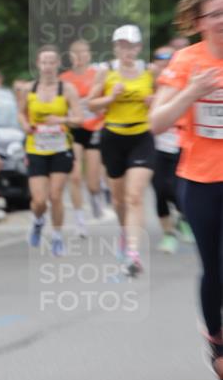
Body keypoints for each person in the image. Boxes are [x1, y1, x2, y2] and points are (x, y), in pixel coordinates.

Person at [151, 0, 223, 380]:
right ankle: (216, 338)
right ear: (199, 22)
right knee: (214, 268)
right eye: (216, 14)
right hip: (199, 179)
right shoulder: (186, 62)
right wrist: (191, 92)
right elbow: (157, 121)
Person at [87, 25, 155, 276]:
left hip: (142, 136)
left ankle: (133, 254)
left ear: (139, 48)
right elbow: (91, 104)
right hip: (113, 137)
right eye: (122, 45)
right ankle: (125, 232)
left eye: (132, 46)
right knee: (118, 199)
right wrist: (109, 98)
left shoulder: (149, 71)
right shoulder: (106, 71)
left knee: (134, 195)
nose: (127, 50)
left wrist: (154, 101)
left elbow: (167, 99)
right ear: (115, 47)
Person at [18, 45, 81, 256]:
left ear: (58, 64)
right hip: (36, 148)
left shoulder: (67, 89)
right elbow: (21, 113)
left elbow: (79, 119)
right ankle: (38, 221)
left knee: (55, 196)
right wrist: (25, 125)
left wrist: (61, 119)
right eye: (44, 62)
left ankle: (57, 237)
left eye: (52, 62)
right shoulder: (28, 89)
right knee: (39, 200)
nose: (47, 66)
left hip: (60, 148)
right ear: (38, 64)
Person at [149, 46, 193, 253]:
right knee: (160, 190)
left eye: (170, 59)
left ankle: (184, 217)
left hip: (180, 145)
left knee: (178, 190)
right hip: (155, 146)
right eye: (161, 59)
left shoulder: (184, 82)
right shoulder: (146, 84)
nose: (165, 62)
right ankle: (168, 234)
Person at [60, 39, 105, 236]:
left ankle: (96, 194)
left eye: (83, 52)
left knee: (92, 181)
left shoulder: (98, 75)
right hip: (74, 129)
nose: (79, 57)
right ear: (70, 56)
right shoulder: (64, 79)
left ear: (89, 55)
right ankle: (79, 220)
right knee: (75, 176)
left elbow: (106, 101)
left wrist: (100, 107)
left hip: (94, 127)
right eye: (75, 53)